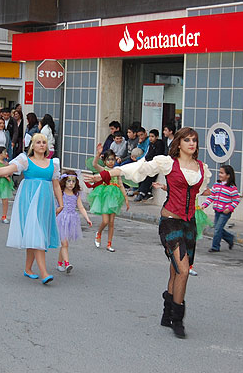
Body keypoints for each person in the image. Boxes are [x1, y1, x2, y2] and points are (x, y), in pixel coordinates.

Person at [85, 127, 211, 339]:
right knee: (183, 270)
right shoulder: (168, 163)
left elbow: (202, 188)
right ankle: (177, 319)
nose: (192, 143)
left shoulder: (201, 168)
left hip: (189, 223)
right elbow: (134, 169)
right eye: (187, 139)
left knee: (176, 270)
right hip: (170, 221)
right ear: (178, 143)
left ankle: (166, 312)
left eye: (195, 140)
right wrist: (102, 175)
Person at [0, 133, 62, 285]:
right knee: (37, 233)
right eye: (38, 142)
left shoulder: (53, 163)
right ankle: (44, 273)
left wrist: (61, 203)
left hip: (45, 202)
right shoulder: (25, 160)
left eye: (44, 142)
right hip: (29, 200)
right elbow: (5, 170)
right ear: (33, 145)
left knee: (35, 234)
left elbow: (56, 184)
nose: (41, 145)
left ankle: (28, 268)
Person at [89, 146, 129, 252]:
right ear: (105, 161)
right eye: (108, 159)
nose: (111, 162)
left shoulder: (117, 171)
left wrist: (126, 198)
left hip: (115, 197)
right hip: (105, 195)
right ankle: (99, 233)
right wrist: (97, 154)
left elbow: (120, 184)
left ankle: (109, 244)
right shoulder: (104, 170)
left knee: (112, 222)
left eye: (112, 159)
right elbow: (94, 164)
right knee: (105, 221)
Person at [56, 170, 92, 273]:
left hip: (71, 220)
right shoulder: (61, 193)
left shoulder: (76, 194)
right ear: (64, 181)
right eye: (69, 181)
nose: (71, 184)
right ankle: (67, 264)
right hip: (61, 219)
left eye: (73, 181)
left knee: (65, 244)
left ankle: (59, 263)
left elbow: (81, 207)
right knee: (65, 243)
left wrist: (87, 218)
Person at [202, 165, 240, 252]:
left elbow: (236, 200)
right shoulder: (216, 185)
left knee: (217, 229)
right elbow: (212, 197)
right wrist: (205, 205)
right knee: (217, 228)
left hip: (225, 212)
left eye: (222, 173)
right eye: (219, 172)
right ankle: (230, 238)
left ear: (228, 175)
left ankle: (215, 247)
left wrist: (229, 208)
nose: (219, 174)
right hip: (217, 210)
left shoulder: (232, 188)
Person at [134, 129, 165, 201]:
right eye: (150, 136)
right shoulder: (151, 144)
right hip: (150, 162)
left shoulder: (159, 143)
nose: (150, 138)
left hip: (157, 163)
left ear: (157, 137)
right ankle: (142, 190)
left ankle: (142, 192)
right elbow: (148, 154)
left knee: (149, 174)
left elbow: (157, 155)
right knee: (141, 170)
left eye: (152, 136)